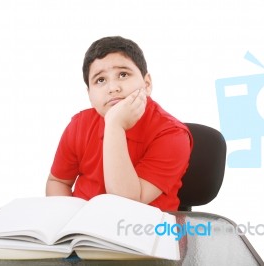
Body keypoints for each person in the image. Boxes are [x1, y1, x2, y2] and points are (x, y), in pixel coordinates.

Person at [46, 36, 193, 211]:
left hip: (141, 229)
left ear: (146, 84)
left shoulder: (173, 135)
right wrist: (66, 220)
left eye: (123, 74)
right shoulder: (79, 125)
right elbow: (58, 181)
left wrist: (114, 125)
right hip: (83, 228)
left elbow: (125, 204)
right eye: (100, 80)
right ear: (89, 94)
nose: (113, 88)